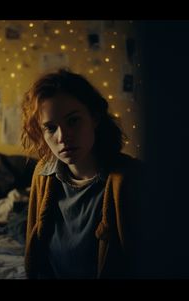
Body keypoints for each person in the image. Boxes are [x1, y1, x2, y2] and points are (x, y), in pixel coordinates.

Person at [21, 69, 147, 279]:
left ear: (95, 117)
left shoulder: (129, 180)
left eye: (73, 121)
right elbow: (35, 254)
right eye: (51, 128)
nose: (62, 137)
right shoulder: (43, 174)